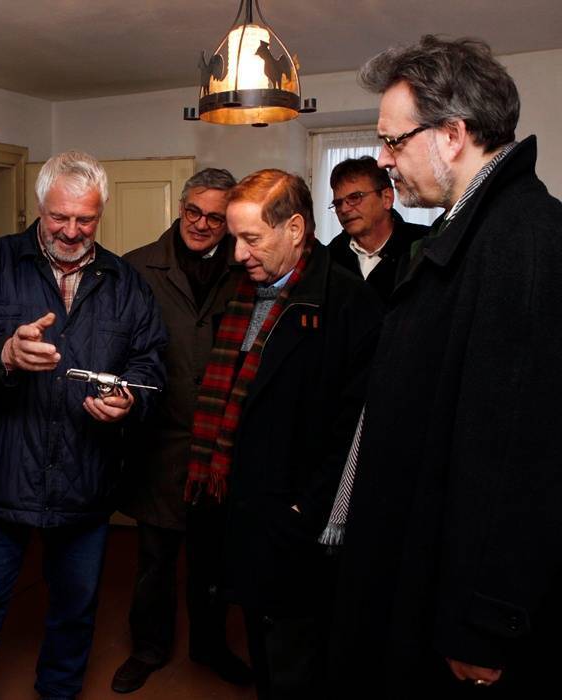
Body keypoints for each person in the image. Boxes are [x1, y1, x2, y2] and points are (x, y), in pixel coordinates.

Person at [329, 36, 562, 699]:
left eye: (394, 142)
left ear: (453, 134)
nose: (383, 161)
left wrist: (484, 624)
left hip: (457, 615)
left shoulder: (526, 245)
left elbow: (519, 458)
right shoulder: (473, 234)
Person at [0, 150, 167, 700]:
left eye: (84, 219)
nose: (71, 230)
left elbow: (151, 360)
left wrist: (129, 397)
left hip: (85, 481)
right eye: (59, 217)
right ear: (39, 206)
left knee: (74, 611)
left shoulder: (125, 281)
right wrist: (4, 353)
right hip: (1, 478)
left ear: (101, 211)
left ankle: (58, 693)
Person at [188, 169, 382, 699]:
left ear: (295, 229)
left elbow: (357, 425)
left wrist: (310, 509)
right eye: (234, 238)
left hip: (299, 519)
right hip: (241, 506)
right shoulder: (241, 287)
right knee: (263, 639)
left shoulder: (347, 302)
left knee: (298, 655)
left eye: (251, 238)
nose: (237, 253)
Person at [111, 168, 252, 693]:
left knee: (213, 560)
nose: (202, 224)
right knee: (154, 561)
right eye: (194, 211)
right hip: (158, 442)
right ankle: (148, 648)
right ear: (180, 206)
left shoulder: (247, 266)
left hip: (222, 445)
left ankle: (211, 647)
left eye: (216, 217)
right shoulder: (136, 268)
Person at [325, 156, 427, 301]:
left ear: (387, 198)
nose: (344, 209)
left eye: (355, 197)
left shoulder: (424, 247)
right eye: (338, 203)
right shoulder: (329, 258)